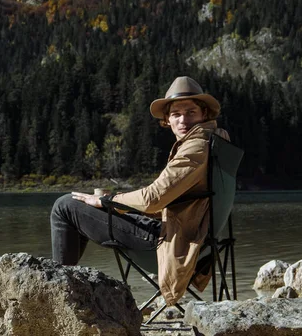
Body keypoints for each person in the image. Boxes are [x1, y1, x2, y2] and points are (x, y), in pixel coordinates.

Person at [50, 76, 229, 306]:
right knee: (81, 205)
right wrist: (117, 205)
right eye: (176, 114)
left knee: (65, 206)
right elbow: (165, 199)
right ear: (167, 120)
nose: (183, 119)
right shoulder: (214, 141)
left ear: (204, 114)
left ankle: (58, 296)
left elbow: (154, 199)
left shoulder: (196, 146)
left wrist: (108, 201)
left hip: (173, 241)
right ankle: (66, 291)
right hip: (195, 238)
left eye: (190, 112)